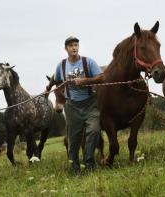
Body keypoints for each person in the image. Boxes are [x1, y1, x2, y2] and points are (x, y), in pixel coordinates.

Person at [54, 36, 103, 174]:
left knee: (94, 131)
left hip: (90, 103)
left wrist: (85, 81)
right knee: (73, 138)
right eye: (71, 46)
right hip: (72, 106)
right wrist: (53, 91)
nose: (74, 48)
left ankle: (89, 163)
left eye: (76, 45)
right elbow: (57, 81)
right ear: (66, 49)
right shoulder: (61, 66)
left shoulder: (88, 62)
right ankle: (74, 167)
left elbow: (101, 77)